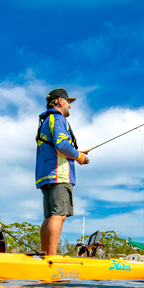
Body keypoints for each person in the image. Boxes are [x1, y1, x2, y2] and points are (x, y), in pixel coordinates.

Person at [35, 88, 89, 256]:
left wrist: (77, 153)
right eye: (68, 102)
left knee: (49, 217)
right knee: (59, 215)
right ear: (60, 101)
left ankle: (45, 256)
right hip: (59, 173)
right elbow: (61, 145)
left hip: (46, 175)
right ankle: (51, 258)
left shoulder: (46, 120)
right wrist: (78, 156)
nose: (70, 106)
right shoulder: (58, 119)